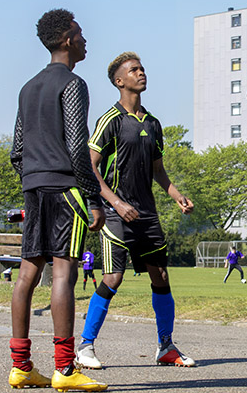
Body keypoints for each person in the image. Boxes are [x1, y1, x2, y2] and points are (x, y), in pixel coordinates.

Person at [76, 51, 195, 371]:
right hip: (115, 214)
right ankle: (85, 346)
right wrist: (115, 202)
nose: (141, 73)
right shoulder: (109, 120)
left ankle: (166, 346)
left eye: (142, 68)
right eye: (134, 70)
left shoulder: (154, 123)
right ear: (119, 80)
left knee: (161, 276)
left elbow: (159, 172)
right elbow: (88, 168)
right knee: (113, 277)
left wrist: (176, 195)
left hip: (147, 215)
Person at [8, 8, 107, 392]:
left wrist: (33, 176)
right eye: (80, 34)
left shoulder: (27, 87)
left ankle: (21, 366)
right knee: (64, 271)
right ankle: (65, 370)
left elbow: (17, 150)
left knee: (28, 273)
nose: (85, 40)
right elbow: (76, 147)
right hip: (65, 188)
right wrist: (92, 196)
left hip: (33, 186)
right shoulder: (73, 84)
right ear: (67, 39)